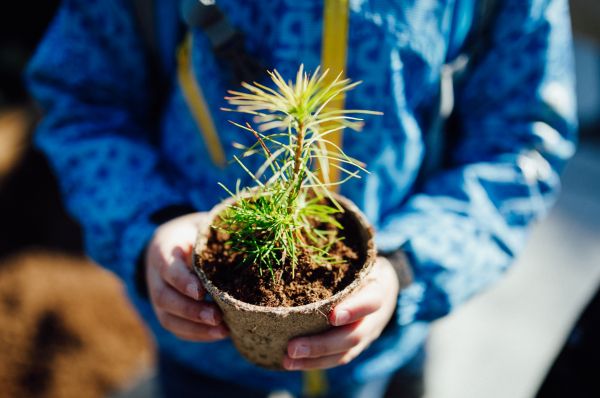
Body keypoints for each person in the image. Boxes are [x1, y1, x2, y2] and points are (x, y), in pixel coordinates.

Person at [26, 0, 577, 397]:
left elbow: (520, 144)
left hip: (383, 359)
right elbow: (83, 99)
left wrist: (409, 269)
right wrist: (148, 225)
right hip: (201, 354)